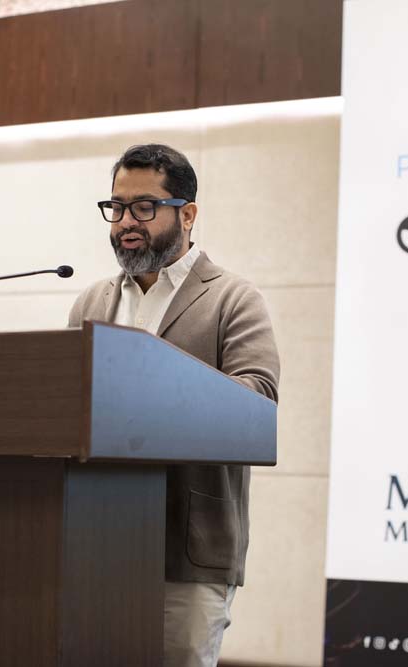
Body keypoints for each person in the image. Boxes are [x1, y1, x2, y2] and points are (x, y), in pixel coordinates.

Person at [68, 144, 280, 667]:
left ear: (187, 214)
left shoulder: (232, 298)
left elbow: (257, 399)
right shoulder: (92, 302)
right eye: (116, 207)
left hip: (188, 547)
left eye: (144, 207)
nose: (126, 222)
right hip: (93, 541)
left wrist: (154, 386)